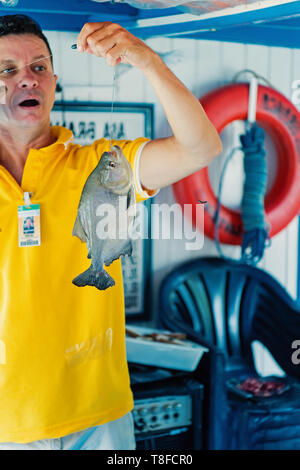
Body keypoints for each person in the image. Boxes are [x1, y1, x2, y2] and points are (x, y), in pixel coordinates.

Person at [0, 14, 222, 450]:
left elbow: (202, 147)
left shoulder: (101, 164)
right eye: (7, 70)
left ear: (54, 80)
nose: (27, 79)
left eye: (39, 67)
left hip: (102, 419)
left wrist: (146, 60)